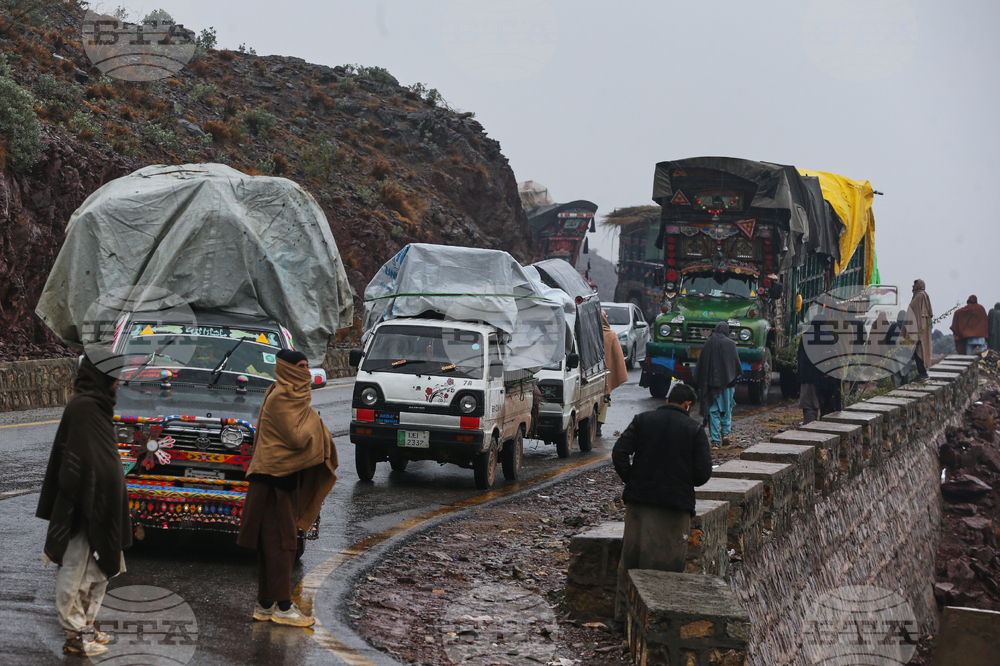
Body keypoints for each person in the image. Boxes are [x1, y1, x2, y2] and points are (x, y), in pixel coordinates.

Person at [36, 356, 131, 656]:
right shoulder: (83, 407)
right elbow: (78, 461)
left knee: (99, 572)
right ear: (101, 375)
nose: (120, 380)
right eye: (116, 374)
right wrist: (93, 492)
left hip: (103, 504)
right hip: (81, 505)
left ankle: (86, 625)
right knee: (75, 571)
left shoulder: (100, 405)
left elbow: (102, 456)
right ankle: (73, 632)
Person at [237, 350, 338, 627]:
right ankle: (282, 606)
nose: (305, 372)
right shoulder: (282, 397)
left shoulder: (288, 395)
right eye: (301, 367)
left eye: (307, 367)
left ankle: (265, 603)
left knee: (271, 544)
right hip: (273, 482)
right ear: (287, 369)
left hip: (279, 480)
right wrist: (317, 424)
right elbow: (297, 437)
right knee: (283, 545)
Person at [610, 382, 712, 631]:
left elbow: (619, 452)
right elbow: (703, 473)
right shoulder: (695, 430)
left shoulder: (643, 420)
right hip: (675, 508)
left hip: (640, 502)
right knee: (667, 566)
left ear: (668, 401)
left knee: (632, 561)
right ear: (688, 405)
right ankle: (659, 623)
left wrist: (632, 479)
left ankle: (623, 619)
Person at [692, 322, 743, 447]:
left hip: (711, 385)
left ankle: (715, 441)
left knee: (713, 412)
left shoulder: (708, 343)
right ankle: (725, 434)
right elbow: (735, 365)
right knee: (726, 410)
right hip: (728, 385)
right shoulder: (731, 344)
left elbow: (701, 364)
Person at [797, 319, 843, 423]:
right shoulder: (828, 338)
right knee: (827, 406)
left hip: (808, 379)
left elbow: (800, 359)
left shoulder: (804, 337)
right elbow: (834, 360)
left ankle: (810, 432)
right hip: (825, 379)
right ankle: (825, 431)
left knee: (809, 407)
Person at [598, 309, 629, 436]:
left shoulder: (586, 333)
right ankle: (598, 425)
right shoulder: (611, 335)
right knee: (604, 396)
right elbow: (618, 357)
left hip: (587, 373)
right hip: (605, 374)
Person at [904, 279, 933, 379]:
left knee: (919, 351)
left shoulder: (920, 296)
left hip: (919, 330)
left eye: (914, 284)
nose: (912, 286)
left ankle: (923, 374)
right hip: (922, 329)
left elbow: (914, 313)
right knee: (919, 351)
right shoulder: (922, 295)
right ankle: (922, 373)